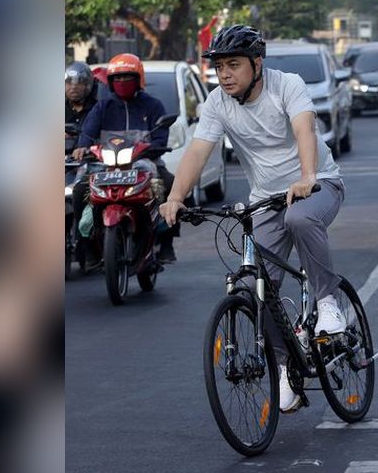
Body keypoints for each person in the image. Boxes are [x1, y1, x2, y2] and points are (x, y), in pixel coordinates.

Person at [158, 25, 346, 413]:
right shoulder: (216, 103)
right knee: (260, 291)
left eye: (233, 65)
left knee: (299, 219)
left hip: (318, 183)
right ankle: (284, 368)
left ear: (257, 64)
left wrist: (307, 177)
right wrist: (176, 197)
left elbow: (304, 129)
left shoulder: (287, 85)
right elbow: (198, 151)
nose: (224, 74)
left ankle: (328, 301)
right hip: (266, 200)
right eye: (219, 67)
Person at [72, 54, 179, 263]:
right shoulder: (102, 107)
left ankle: (167, 243)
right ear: (110, 82)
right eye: (117, 78)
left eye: (127, 77)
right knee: (77, 191)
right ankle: (87, 245)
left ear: (138, 79)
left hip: (144, 164)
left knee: (172, 186)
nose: (122, 82)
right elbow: (87, 133)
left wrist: (153, 148)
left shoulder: (153, 106)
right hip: (105, 166)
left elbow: (160, 136)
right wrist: (82, 147)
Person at [64, 62, 98, 153]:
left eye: (79, 83)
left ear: (88, 84)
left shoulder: (98, 109)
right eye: (69, 83)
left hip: (90, 160)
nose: (73, 87)